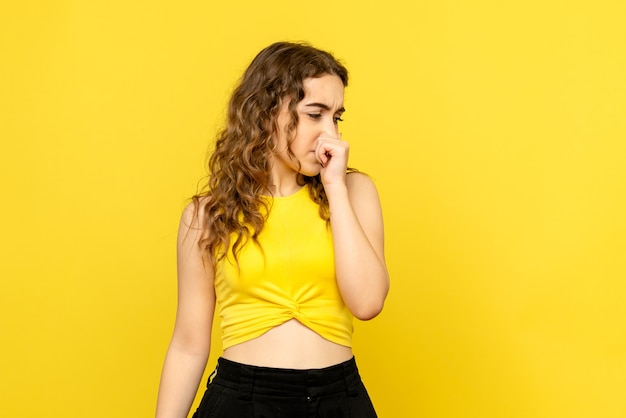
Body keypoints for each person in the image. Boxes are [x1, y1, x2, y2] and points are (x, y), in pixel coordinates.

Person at [156, 41, 390, 418]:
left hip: (337, 399)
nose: (331, 134)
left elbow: (367, 302)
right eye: (315, 114)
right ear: (267, 114)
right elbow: (188, 344)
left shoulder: (354, 192)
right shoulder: (208, 213)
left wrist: (334, 186)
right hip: (240, 401)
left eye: (337, 117)